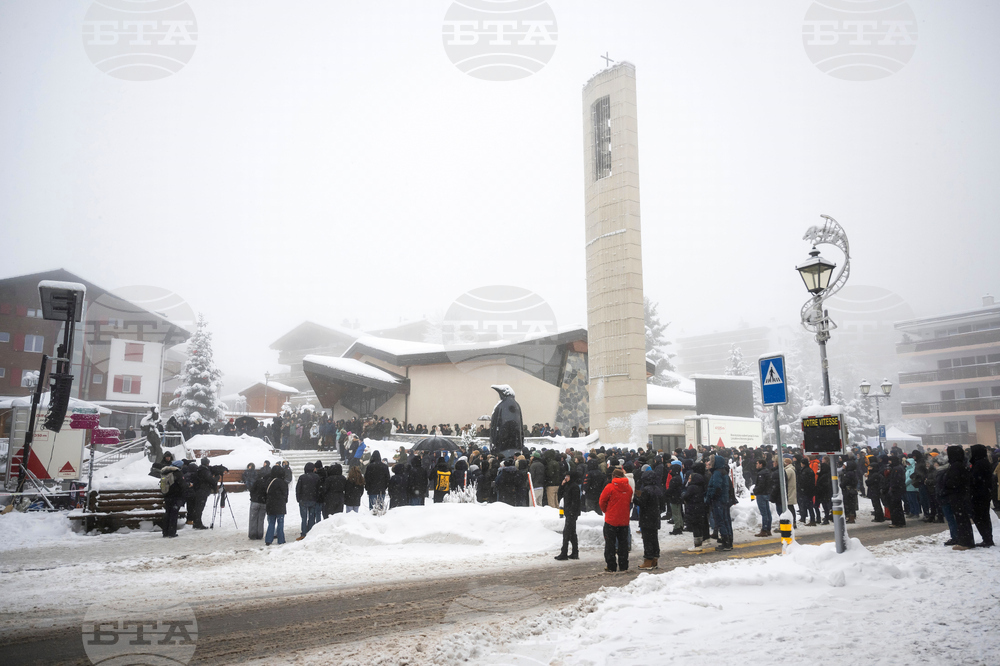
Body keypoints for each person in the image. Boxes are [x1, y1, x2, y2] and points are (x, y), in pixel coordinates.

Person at [939, 445, 974, 550]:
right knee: (962, 519)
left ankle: (965, 542)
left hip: (957, 495)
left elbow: (954, 481)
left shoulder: (956, 466)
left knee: (961, 519)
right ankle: (965, 540)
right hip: (959, 495)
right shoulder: (960, 464)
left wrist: (945, 484)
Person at [599, 468, 633, 572]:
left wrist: (607, 511)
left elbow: (602, 501)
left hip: (611, 520)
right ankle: (623, 565)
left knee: (610, 544)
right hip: (624, 520)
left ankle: (611, 565)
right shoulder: (629, 488)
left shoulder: (610, 487)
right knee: (623, 544)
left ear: (614, 476)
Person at [968, 444, 995, 548]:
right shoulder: (984, 462)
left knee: (979, 517)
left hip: (979, 494)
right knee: (984, 517)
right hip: (984, 493)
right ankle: (988, 538)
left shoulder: (979, 463)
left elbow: (975, 479)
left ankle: (987, 538)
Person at [705, 454, 734, 552]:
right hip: (724, 500)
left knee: (721, 521)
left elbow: (716, 487)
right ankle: (729, 541)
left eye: (711, 461)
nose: (709, 463)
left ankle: (725, 542)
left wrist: (711, 497)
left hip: (718, 501)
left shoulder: (717, 473)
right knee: (726, 520)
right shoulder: (723, 472)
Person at [152, 452, 184, 538]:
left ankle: (165, 532)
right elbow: (182, 485)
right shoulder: (177, 473)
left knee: (167, 513)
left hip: (167, 496)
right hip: (175, 496)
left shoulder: (166, 471)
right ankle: (172, 532)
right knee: (174, 515)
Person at [554, 468, 582, 561]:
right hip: (569, 512)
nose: (566, 478)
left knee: (567, 532)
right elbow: (560, 495)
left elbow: (575, 501)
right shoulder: (568, 486)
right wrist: (562, 485)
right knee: (572, 533)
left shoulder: (574, 487)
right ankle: (575, 552)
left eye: (568, 476)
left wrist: (571, 512)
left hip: (571, 513)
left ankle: (564, 552)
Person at [636, 469, 661, 569]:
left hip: (647, 518)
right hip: (655, 517)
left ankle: (648, 560)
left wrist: (634, 498)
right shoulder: (657, 489)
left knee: (647, 539)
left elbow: (642, 503)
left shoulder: (646, 489)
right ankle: (655, 558)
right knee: (654, 538)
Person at [683, 462, 708, 550]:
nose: (688, 480)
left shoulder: (692, 487)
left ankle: (697, 545)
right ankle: (699, 543)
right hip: (699, 509)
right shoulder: (700, 487)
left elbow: (686, 496)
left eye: (690, 478)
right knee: (699, 526)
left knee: (695, 527)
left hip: (693, 509)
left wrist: (683, 495)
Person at [295, 462, 322, 540]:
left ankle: (303, 533)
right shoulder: (317, 477)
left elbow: (298, 489)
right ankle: (310, 532)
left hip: (303, 500)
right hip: (313, 499)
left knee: (303, 518)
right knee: (312, 517)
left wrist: (298, 498)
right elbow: (318, 489)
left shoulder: (302, 477)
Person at [264, 465, 288, 546]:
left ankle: (268, 539)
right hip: (280, 505)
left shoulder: (268, 481)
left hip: (270, 504)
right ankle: (281, 540)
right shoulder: (282, 482)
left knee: (271, 523)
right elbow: (285, 494)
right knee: (280, 523)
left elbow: (265, 493)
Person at [753, 459, 772, 537]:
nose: (756, 465)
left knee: (764, 513)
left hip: (761, 494)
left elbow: (761, 485)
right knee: (767, 512)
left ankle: (764, 530)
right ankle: (768, 529)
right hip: (766, 494)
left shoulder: (761, 473)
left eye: (757, 463)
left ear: (761, 464)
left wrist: (755, 490)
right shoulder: (767, 472)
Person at [664, 460, 684, 535]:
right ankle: (680, 525)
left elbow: (671, 489)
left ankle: (677, 528)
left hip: (674, 498)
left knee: (675, 513)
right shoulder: (679, 477)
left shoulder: (674, 479)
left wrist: (665, 494)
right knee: (678, 512)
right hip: (678, 497)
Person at [248, 469, 268, 540]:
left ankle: (252, 534)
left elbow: (252, 490)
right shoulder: (267, 483)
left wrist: (253, 497)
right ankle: (260, 534)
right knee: (261, 519)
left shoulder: (257, 482)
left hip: (255, 501)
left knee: (253, 518)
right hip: (263, 503)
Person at [888, 455, 907, 527]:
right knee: (898, 506)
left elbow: (896, 479)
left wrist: (892, 487)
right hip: (898, 489)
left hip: (896, 490)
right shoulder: (899, 467)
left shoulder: (896, 469)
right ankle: (900, 521)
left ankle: (896, 522)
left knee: (895, 506)